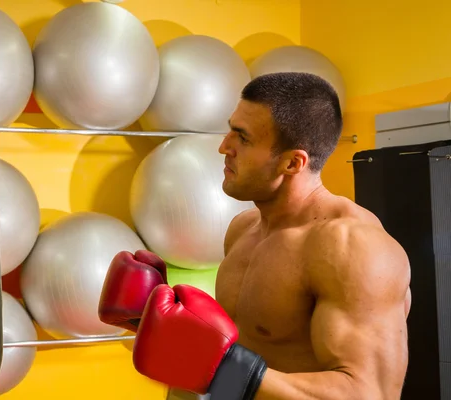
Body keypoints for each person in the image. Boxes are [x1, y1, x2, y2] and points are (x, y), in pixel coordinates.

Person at [98, 72, 412, 399]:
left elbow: (370, 392)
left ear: (292, 163)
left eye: (242, 138)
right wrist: (160, 326)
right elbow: (245, 356)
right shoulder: (243, 229)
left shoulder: (351, 247)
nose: (223, 147)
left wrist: (225, 368)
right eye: (230, 129)